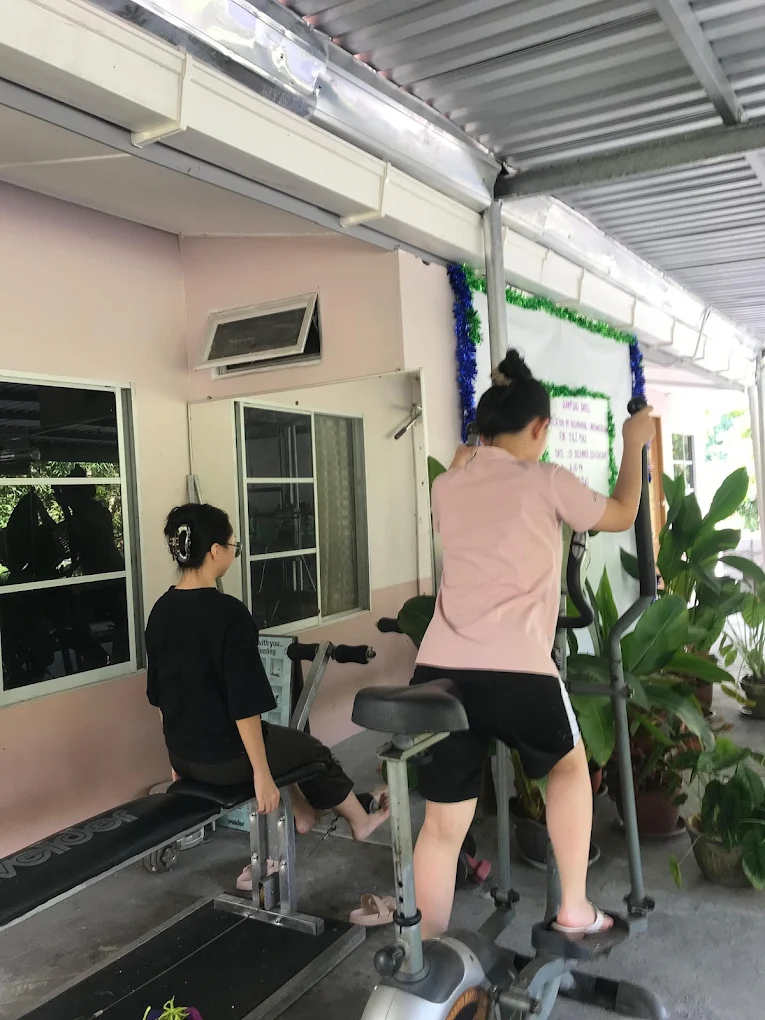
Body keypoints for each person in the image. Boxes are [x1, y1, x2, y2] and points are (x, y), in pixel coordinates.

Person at [411, 349, 655, 940]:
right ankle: (573, 908)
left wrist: (481, 435)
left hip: (439, 672)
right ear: (541, 428)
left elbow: (466, 460)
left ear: (484, 429)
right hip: (516, 668)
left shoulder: (448, 485)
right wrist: (634, 442)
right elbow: (624, 512)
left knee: (442, 826)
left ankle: (427, 955)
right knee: (568, 767)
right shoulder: (547, 480)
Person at [145, 502, 389, 892]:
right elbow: (244, 706)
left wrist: (176, 759)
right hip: (226, 760)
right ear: (215, 552)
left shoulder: (161, 610)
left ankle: (303, 813)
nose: (234, 552)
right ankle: (361, 822)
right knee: (312, 751)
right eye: (234, 546)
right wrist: (261, 775)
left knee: (281, 749)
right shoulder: (229, 614)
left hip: (185, 757)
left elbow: (160, 697)